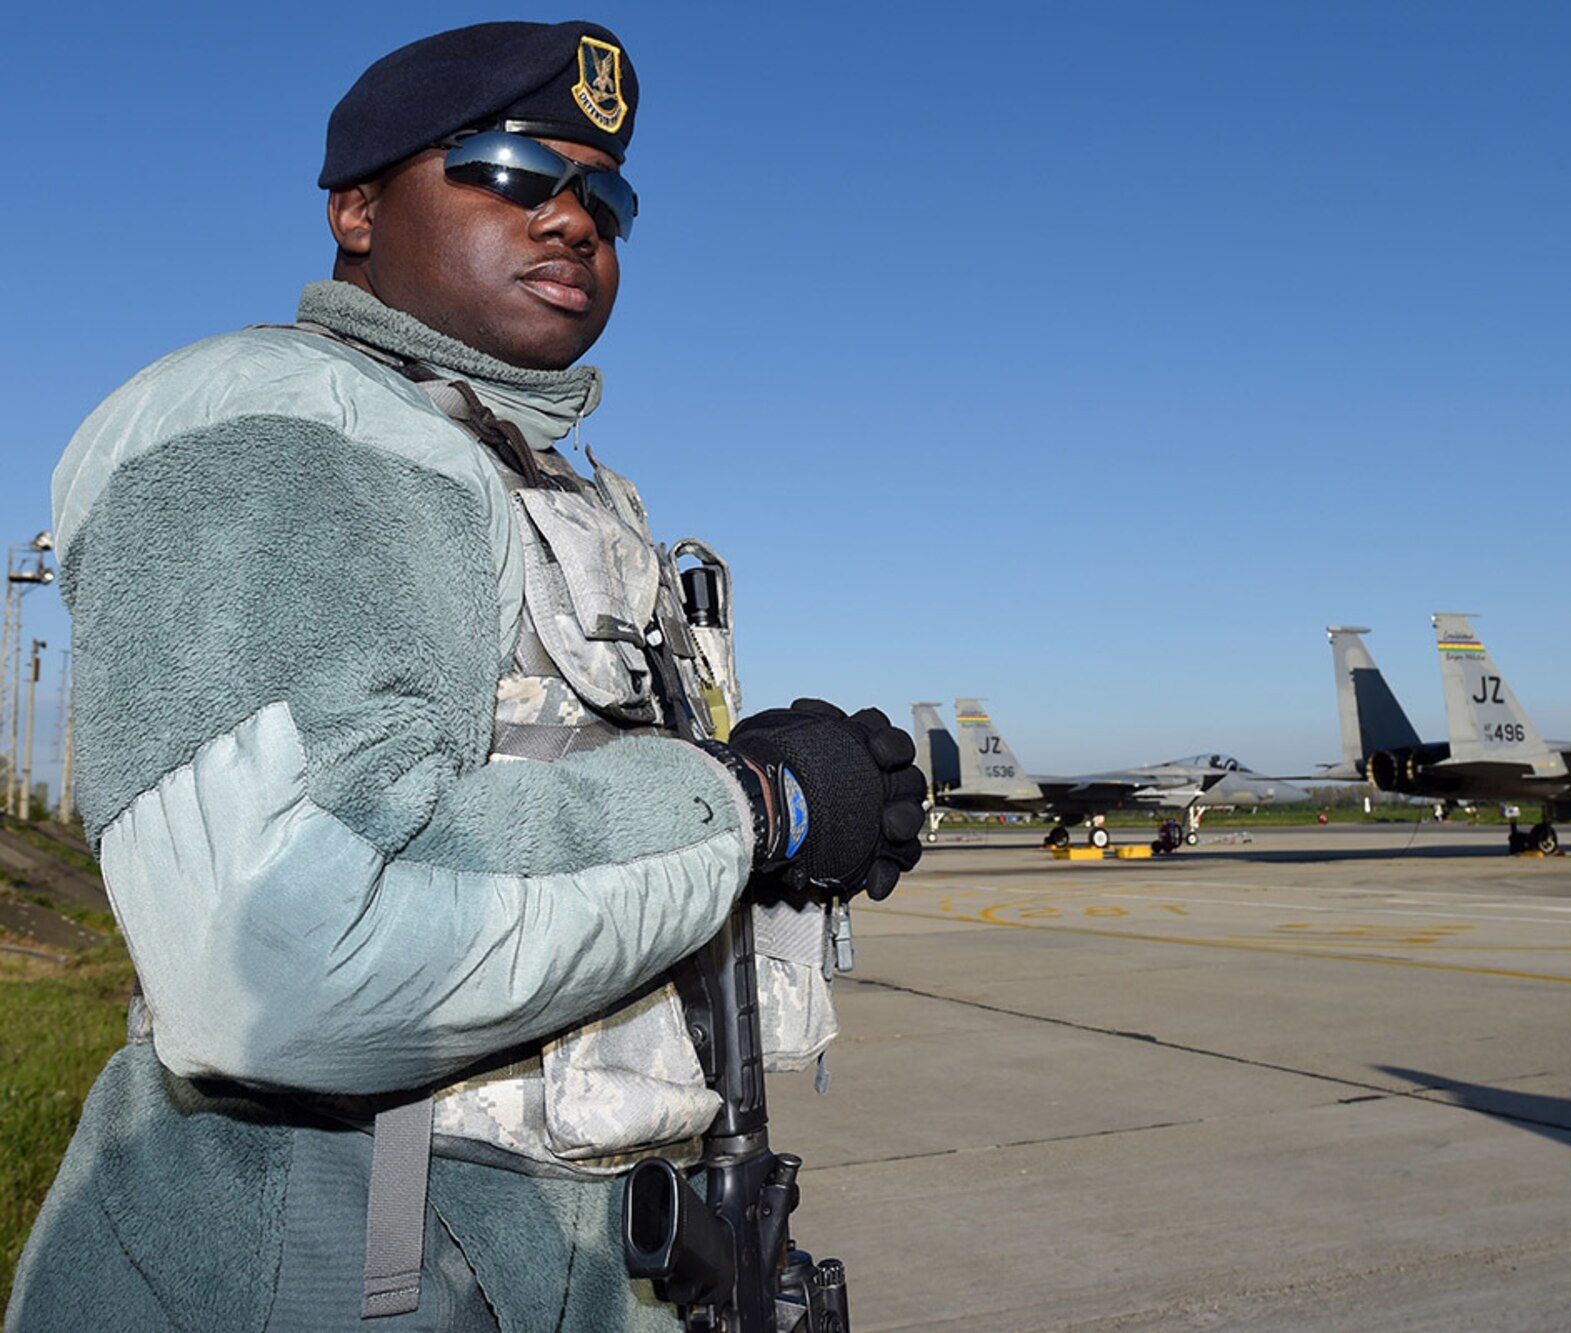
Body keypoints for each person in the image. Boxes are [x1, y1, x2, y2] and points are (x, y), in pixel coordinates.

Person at [7, 20, 923, 1332]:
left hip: (574, 1246)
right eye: (508, 170)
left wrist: (770, 816)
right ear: (357, 206)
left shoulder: (533, 473)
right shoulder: (284, 424)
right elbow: (288, 947)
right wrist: (753, 804)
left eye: (604, 196)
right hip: (341, 1252)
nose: (572, 220)